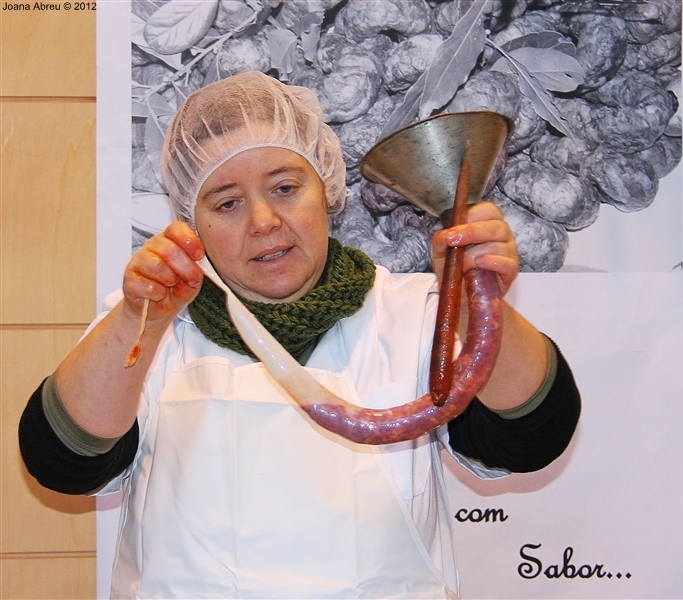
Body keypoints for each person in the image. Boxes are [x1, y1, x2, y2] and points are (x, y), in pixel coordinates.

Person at [19, 71, 580, 599]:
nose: (264, 221)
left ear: (326, 193)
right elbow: (64, 462)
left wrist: (479, 306)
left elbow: (531, 438)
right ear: (194, 223)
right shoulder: (151, 326)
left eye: (285, 187)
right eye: (227, 203)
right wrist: (137, 319)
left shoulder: (415, 315)